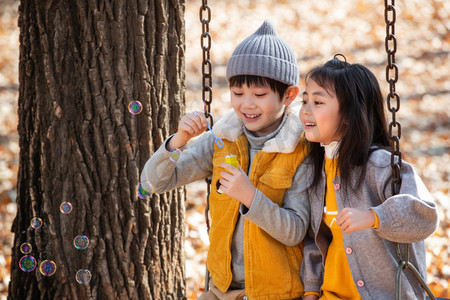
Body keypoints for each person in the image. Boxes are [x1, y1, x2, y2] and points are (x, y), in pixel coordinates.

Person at [141, 20, 310, 299]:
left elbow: (295, 231)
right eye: (237, 93)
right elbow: (153, 182)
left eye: (259, 94)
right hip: (221, 291)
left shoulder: (299, 150)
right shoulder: (222, 139)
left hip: (275, 293)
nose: (246, 104)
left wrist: (250, 197)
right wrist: (179, 140)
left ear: (289, 95)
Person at [299, 55, 439, 300]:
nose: (305, 111)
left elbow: (425, 216)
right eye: (305, 101)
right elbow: (316, 239)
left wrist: (374, 217)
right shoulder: (316, 169)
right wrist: (311, 290)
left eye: (318, 102)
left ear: (348, 115)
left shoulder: (381, 165)